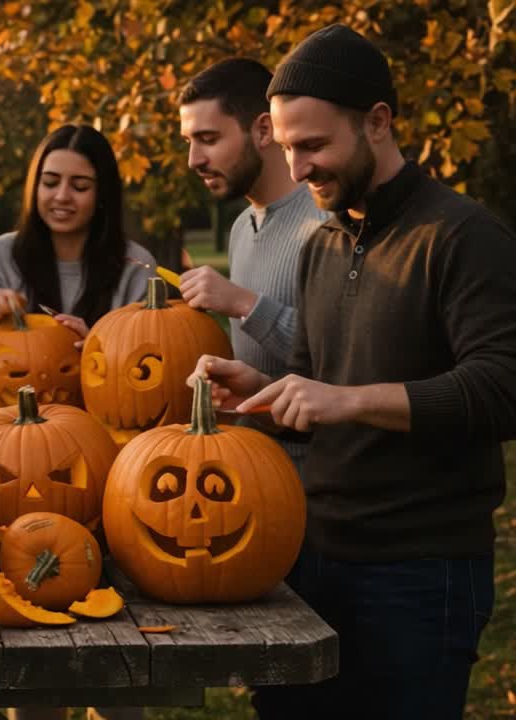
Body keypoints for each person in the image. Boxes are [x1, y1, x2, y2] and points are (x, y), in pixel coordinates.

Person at [191, 25, 516, 718]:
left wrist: (347, 400)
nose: (299, 168)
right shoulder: (324, 244)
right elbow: (315, 377)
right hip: (310, 555)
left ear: (377, 122)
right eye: (285, 149)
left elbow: (501, 388)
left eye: (314, 145)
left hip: (421, 571)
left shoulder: (462, 237)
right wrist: (261, 393)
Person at [177, 58, 329, 471]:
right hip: (251, 475)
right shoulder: (241, 228)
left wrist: (244, 304)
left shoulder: (328, 223)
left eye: (208, 138)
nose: (194, 159)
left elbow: (344, 359)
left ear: (264, 130)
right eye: (188, 141)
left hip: (322, 489)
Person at [0, 123, 154, 361]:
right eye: (50, 183)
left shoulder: (136, 266)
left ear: (102, 193)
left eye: (80, 186)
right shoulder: (3, 255)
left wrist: (96, 349)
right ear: (35, 187)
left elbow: (147, 365)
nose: (62, 196)